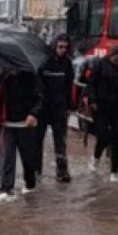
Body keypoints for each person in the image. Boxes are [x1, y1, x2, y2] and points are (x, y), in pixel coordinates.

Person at [85, 46, 118, 182]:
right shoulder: (100, 64)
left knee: (117, 139)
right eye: (116, 59)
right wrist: (93, 100)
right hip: (101, 107)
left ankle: (114, 172)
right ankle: (96, 158)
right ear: (111, 56)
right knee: (103, 135)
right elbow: (91, 84)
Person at [0, 69, 44, 201]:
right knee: (7, 158)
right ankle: (6, 189)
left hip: (25, 125)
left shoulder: (31, 77)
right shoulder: (2, 76)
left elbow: (40, 98)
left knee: (28, 159)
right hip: (7, 124)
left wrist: (33, 113)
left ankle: (30, 185)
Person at [36, 34, 75, 183]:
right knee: (37, 140)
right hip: (42, 108)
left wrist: (69, 106)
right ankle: (35, 169)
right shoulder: (44, 62)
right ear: (54, 46)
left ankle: (62, 170)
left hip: (59, 109)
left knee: (60, 141)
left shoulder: (68, 64)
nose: (63, 50)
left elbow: (69, 85)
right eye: (60, 47)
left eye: (66, 47)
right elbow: (36, 84)